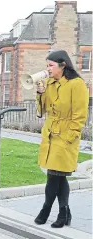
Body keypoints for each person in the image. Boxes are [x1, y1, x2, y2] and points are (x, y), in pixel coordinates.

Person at [34, 50, 89, 228]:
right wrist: (40, 92)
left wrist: (69, 136)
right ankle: (64, 212)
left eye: (50, 65)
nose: (47, 69)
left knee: (54, 175)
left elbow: (80, 115)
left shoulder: (77, 84)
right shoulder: (49, 83)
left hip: (65, 136)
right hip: (50, 134)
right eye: (47, 65)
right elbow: (42, 111)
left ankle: (46, 209)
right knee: (57, 175)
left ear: (62, 65)